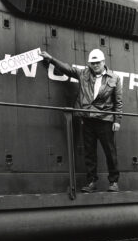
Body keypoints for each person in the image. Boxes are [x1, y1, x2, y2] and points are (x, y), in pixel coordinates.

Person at [40, 49, 122, 193]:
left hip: (105, 120)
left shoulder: (114, 78)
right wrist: (51, 58)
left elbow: (118, 102)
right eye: (92, 63)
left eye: (97, 62)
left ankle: (114, 182)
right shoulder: (84, 73)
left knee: (110, 152)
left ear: (103, 62)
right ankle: (91, 182)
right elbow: (68, 69)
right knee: (89, 153)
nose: (95, 65)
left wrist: (117, 120)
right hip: (87, 119)